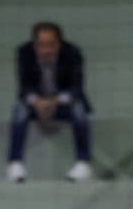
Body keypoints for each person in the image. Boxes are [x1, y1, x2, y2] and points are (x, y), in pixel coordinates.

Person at [7, 22, 91, 184]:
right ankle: (15, 163)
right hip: (35, 105)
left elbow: (76, 89)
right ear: (34, 45)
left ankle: (83, 162)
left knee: (79, 110)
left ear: (59, 44)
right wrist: (37, 102)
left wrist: (52, 101)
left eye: (51, 45)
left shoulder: (72, 53)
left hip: (62, 104)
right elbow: (23, 89)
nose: (46, 50)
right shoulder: (24, 53)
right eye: (41, 45)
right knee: (19, 110)